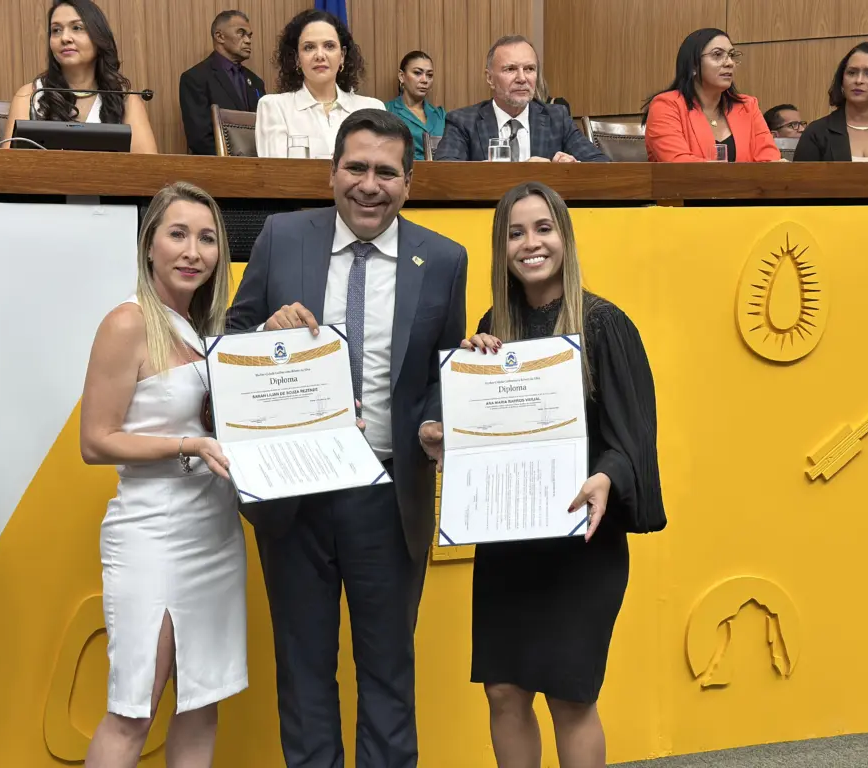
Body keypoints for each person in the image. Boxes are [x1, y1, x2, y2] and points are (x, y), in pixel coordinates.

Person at [227, 108, 467, 768]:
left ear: (409, 183)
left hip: (390, 496)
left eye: (386, 172)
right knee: (303, 673)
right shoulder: (281, 237)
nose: (370, 184)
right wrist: (268, 333)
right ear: (332, 174)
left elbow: (444, 370)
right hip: (294, 493)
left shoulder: (443, 260)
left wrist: (437, 420)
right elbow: (229, 343)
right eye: (356, 168)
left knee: (388, 673)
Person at [463, 182, 665, 768]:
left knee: (570, 696)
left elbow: (633, 439)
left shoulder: (605, 324)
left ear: (565, 238)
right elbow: (484, 435)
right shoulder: (490, 329)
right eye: (516, 232)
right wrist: (466, 384)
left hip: (581, 540)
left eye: (543, 229)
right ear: (502, 246)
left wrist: (605, 477)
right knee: (504, 690)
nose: (531, 244)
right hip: (509, 538)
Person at [79, 182, 245, 768]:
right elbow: (95, 442)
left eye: (207, 238)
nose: (193, 251)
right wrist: (188, 445)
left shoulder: (207, 332)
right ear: (149, 244)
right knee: (133, 711)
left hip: (215, 533)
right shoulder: (127, 322)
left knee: (202, 704)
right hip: (152, 532)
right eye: (177, 234)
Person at [4, 0, 158, 154]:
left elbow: (149, 170)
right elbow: (10, 168)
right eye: (56, 30)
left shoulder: (125, 100)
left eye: (77, 28)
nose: (65, 38)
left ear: (99, 37)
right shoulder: (30, 96)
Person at [435, 35, 606, 163]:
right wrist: (487, 173)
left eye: (529, 69)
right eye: (510, 69)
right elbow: (445, 174)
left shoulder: (557, 118)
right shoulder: (463, 121)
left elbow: (601, 165)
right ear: (490, 78)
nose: (522, 78)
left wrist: (571, 168)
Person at [255, 9, 385, 159]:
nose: (320, 55)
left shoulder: (373, 109)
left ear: (342, 56)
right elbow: (277, 174)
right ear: (297, 59)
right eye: (309, 47)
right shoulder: (274, 107)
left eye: (329, 46)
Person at [644, 28, 780, 162]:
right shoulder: (666, 105)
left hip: (747, 185)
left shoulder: (747, 107)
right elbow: (678, 164)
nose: (729, 63)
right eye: (717, 55)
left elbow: (770, 160)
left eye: (731, 55)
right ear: (693, 66)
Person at [179, 9, 266, 155]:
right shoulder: (195, 78)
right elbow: (199, 139)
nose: (248, 40)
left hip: (258, 167)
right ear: (219, 36)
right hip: (219, 169)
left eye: (249, 35)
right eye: (241, 33)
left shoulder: (256, 82)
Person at [795, 42, 868, 162]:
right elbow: (801, 179)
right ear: (842, 80)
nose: (859, 80)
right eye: (851, 73)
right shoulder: (817, 132)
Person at [384, 51, 445, 160]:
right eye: (417, 73)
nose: (424, 80)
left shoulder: (440, 115)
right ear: (402, 76)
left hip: (440, 174)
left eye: (429, 75)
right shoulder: (387, 110)